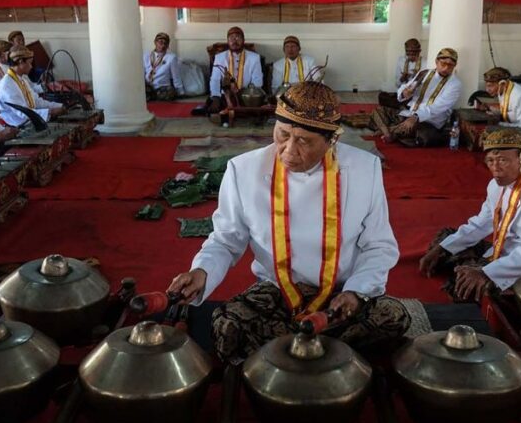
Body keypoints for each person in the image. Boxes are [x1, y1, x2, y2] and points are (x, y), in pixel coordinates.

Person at [167, 81, 410, 364]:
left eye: (304, 141)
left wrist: (357, 291)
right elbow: (226, 240)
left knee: (393, 318)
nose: (288, 151)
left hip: (342, 292)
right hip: (276, 291)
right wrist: (202, 271)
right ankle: (328, 355)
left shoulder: (364, 169)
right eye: (282, 134)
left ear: (332, 140)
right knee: (227, 324)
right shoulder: (242, 170)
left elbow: (379, 245)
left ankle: (295, 353)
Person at [418, 129, 521, 302]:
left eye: (503, 160)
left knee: (463, 289)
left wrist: (486, 273)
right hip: (503, 245)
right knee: (444, 239)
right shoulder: (495, 185)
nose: (495, 168)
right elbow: (482, 223)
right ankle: (468, 267)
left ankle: (474, 273)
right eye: (490, 161)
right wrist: (443, 248)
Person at [372, 48, 461, 147]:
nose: (446, 68)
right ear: (436, 61)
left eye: (450, 66)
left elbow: (438, 107)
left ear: (455, 65)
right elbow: (405, 87)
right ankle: (390, 133)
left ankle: (385, 130)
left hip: (428, 121)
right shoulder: (424, 73)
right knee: (379, 110)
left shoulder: (454, 84)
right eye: (443, 64)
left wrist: (416, 116)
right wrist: (404, 93)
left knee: (420, 131)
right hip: (409, 113)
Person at [0, 45, 66, 127]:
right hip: (15, 127)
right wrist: (51, 111)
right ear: (20, 62)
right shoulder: (7, 84)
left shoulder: (22, 80)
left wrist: (60, 105)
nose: (31, 66)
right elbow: (24, 113)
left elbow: (36, 101)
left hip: (28, 122)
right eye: (29, 63)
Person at [208, 26, 263, 100]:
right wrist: (215, 97)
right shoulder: (219, 57)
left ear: (244, 40)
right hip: (225, 96)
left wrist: (246, 92)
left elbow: (257, 81)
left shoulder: (254, 57)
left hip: (247, 95)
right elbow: (215, 80)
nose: (234, 41)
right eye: (231, 38)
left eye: (238, 37)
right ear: (227, 41)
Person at [377, 38, 423, 109]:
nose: (410, 54)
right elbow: (397, 84)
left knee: (414, 102)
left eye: (413, 51)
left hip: (416, 95)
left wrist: (416, 77)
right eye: (408, 52)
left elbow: (426, 85)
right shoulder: (401, 60)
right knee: (382, 96)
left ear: (419, 51)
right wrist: (403, 78)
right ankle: (403, 106)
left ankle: (404, 106)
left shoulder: (425, 63)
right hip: (402, 94)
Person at [143, 32, 184, 101]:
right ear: (155, 42)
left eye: (165, 43)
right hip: (148, 86)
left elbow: (176, 76)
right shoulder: (146, 55)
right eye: (160, 42)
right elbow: (142, 72)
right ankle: (150, 96)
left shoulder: (171, 57)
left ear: (168, 45)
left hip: (162, 87)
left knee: (171, 92)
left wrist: (180, 91)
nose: (163, 46)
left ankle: (151, 97)